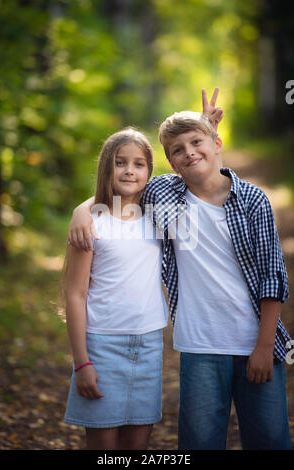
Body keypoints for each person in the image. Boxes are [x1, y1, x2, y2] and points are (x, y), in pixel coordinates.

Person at [68, 89, 292, 450]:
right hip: (199, 347)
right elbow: (121, 184)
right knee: (199, 442)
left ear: (217, 143)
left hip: (255, 342)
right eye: (177, 150)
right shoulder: (164, 196)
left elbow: (272, 277)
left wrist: (265, 345)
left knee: (269, 438)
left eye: (197, 142)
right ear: (171, 163)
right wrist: (82, 211)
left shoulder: (252, 199)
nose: (189, 152)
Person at [63, 127, 169, 450]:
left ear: (149, 171)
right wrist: (82, 362)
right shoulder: (91, 222)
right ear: (106, 166)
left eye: (139, 164)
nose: (129, 171)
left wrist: (207, 129)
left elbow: (193, 179)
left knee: (137, 447)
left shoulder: (158, 216)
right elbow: (75, 294)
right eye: (120, 162)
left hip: (149, 345)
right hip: (101, 347)